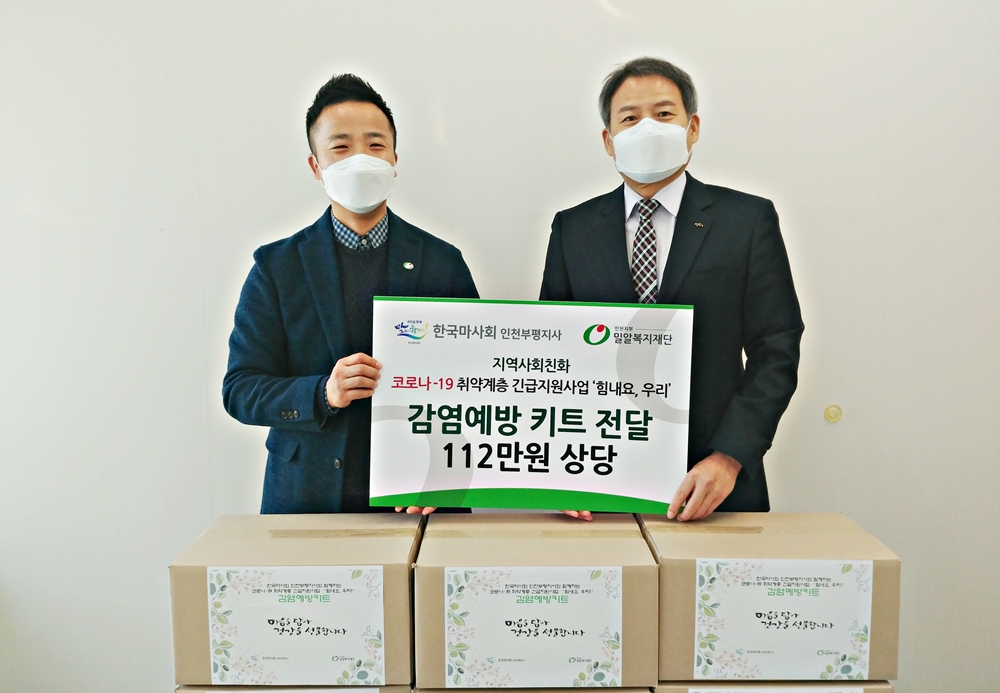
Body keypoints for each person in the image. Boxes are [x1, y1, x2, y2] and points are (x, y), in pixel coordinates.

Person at [540, 57, 803, 522]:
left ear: (692, 127)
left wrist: (729, 456)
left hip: (714, 484)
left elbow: (776, 348)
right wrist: (558, 468)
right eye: (629, 118)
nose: (647, 128)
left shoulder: (746, 221)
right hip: (596, 480)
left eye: (663, 114)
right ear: (608, 140)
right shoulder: (572, 229)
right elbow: (551, 353)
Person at [224, 74, 478, 514]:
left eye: (375, 144)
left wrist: (443, 477)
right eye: (341, 147)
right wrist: (322, 392)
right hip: (307, 496)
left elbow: (479, 382)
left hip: (418, 496)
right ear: (315, 166)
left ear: (394, 158)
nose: (360, 158)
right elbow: (241, 390)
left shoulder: (442, 262)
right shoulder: (277, 267)